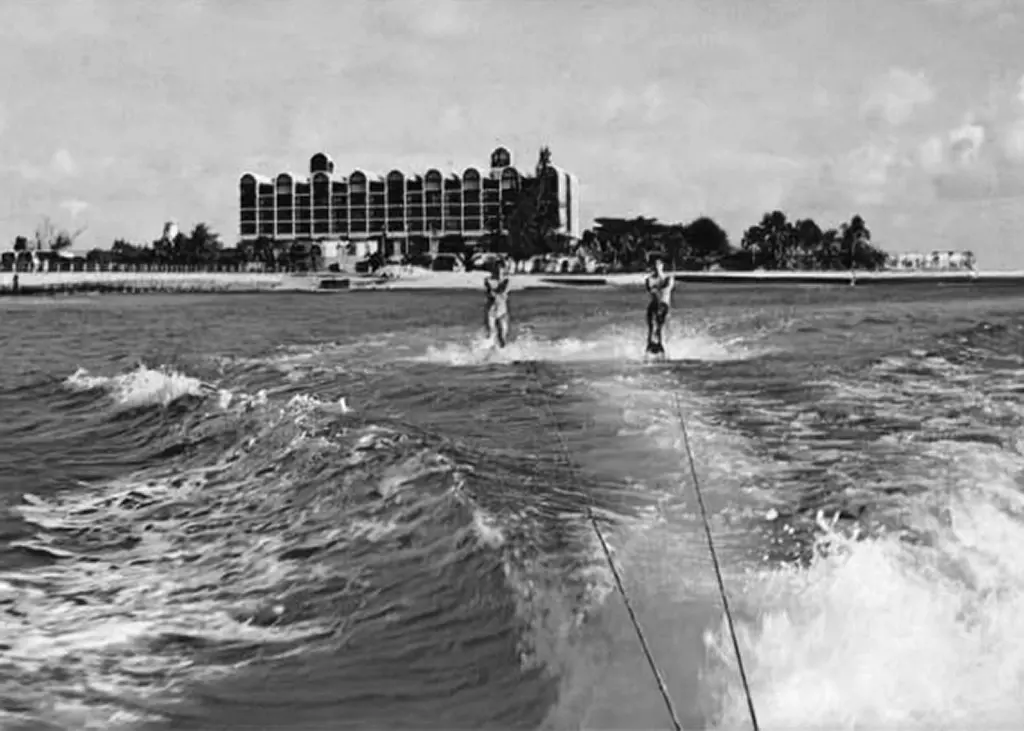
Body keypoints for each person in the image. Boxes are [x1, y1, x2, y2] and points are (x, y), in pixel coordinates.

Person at [644, 256, 674, 356]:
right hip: (653, 305)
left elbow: (666, 287)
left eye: (658, 265)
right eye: (655, 265)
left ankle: (661, 346)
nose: (657, 267)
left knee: (660, 327)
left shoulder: (668, 278)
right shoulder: (649, 279)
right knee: (651, 326)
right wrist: (654, 288)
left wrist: (657, 288)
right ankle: (649, 346)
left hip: (664, 305)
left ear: (662, 266)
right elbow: (650, 288)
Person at [484, 258, 511, 348]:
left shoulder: (506, 281)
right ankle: (487, 352)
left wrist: (493, 291)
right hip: (491, 312)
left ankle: (503, 353)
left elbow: (502, 291)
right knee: (491, 333)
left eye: (501, 268)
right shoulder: (488, 280)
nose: (499, 270)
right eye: (497, 268)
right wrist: (491, 290)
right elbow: (490, 293)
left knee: (502, 336)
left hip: (503, 312)